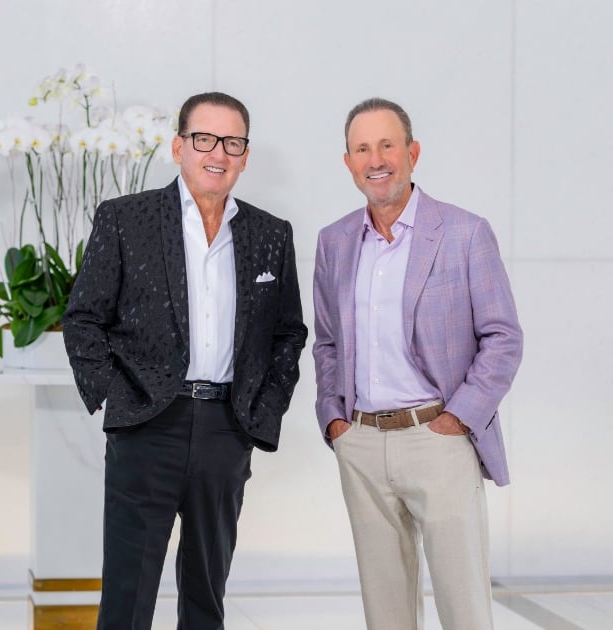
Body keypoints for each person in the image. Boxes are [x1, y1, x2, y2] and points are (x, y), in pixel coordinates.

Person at [62, 92, 307, 630]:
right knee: (128, 598)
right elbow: (83, 319)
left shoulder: (271, 234)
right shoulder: (126, 219)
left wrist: (261, 412)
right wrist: (116, 397)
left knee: (206, 595)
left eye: (232, 142)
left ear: (245, 155)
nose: (218, 152)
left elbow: (289, 333)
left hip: (226, 429)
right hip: (148, 425)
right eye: (204, 139)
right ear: (179, 147)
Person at [312, 97, 523, 630]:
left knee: (464, 606)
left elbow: (502, 338)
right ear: (348, 162)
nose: (376, 159)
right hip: (361, 443)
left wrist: (458, 419)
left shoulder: (464, 232)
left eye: (387, 145)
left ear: (413, 152)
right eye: (362, 149)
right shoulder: (334, 241)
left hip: (438, 438)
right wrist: (335, 420)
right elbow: (328, 342)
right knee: (386, 613)